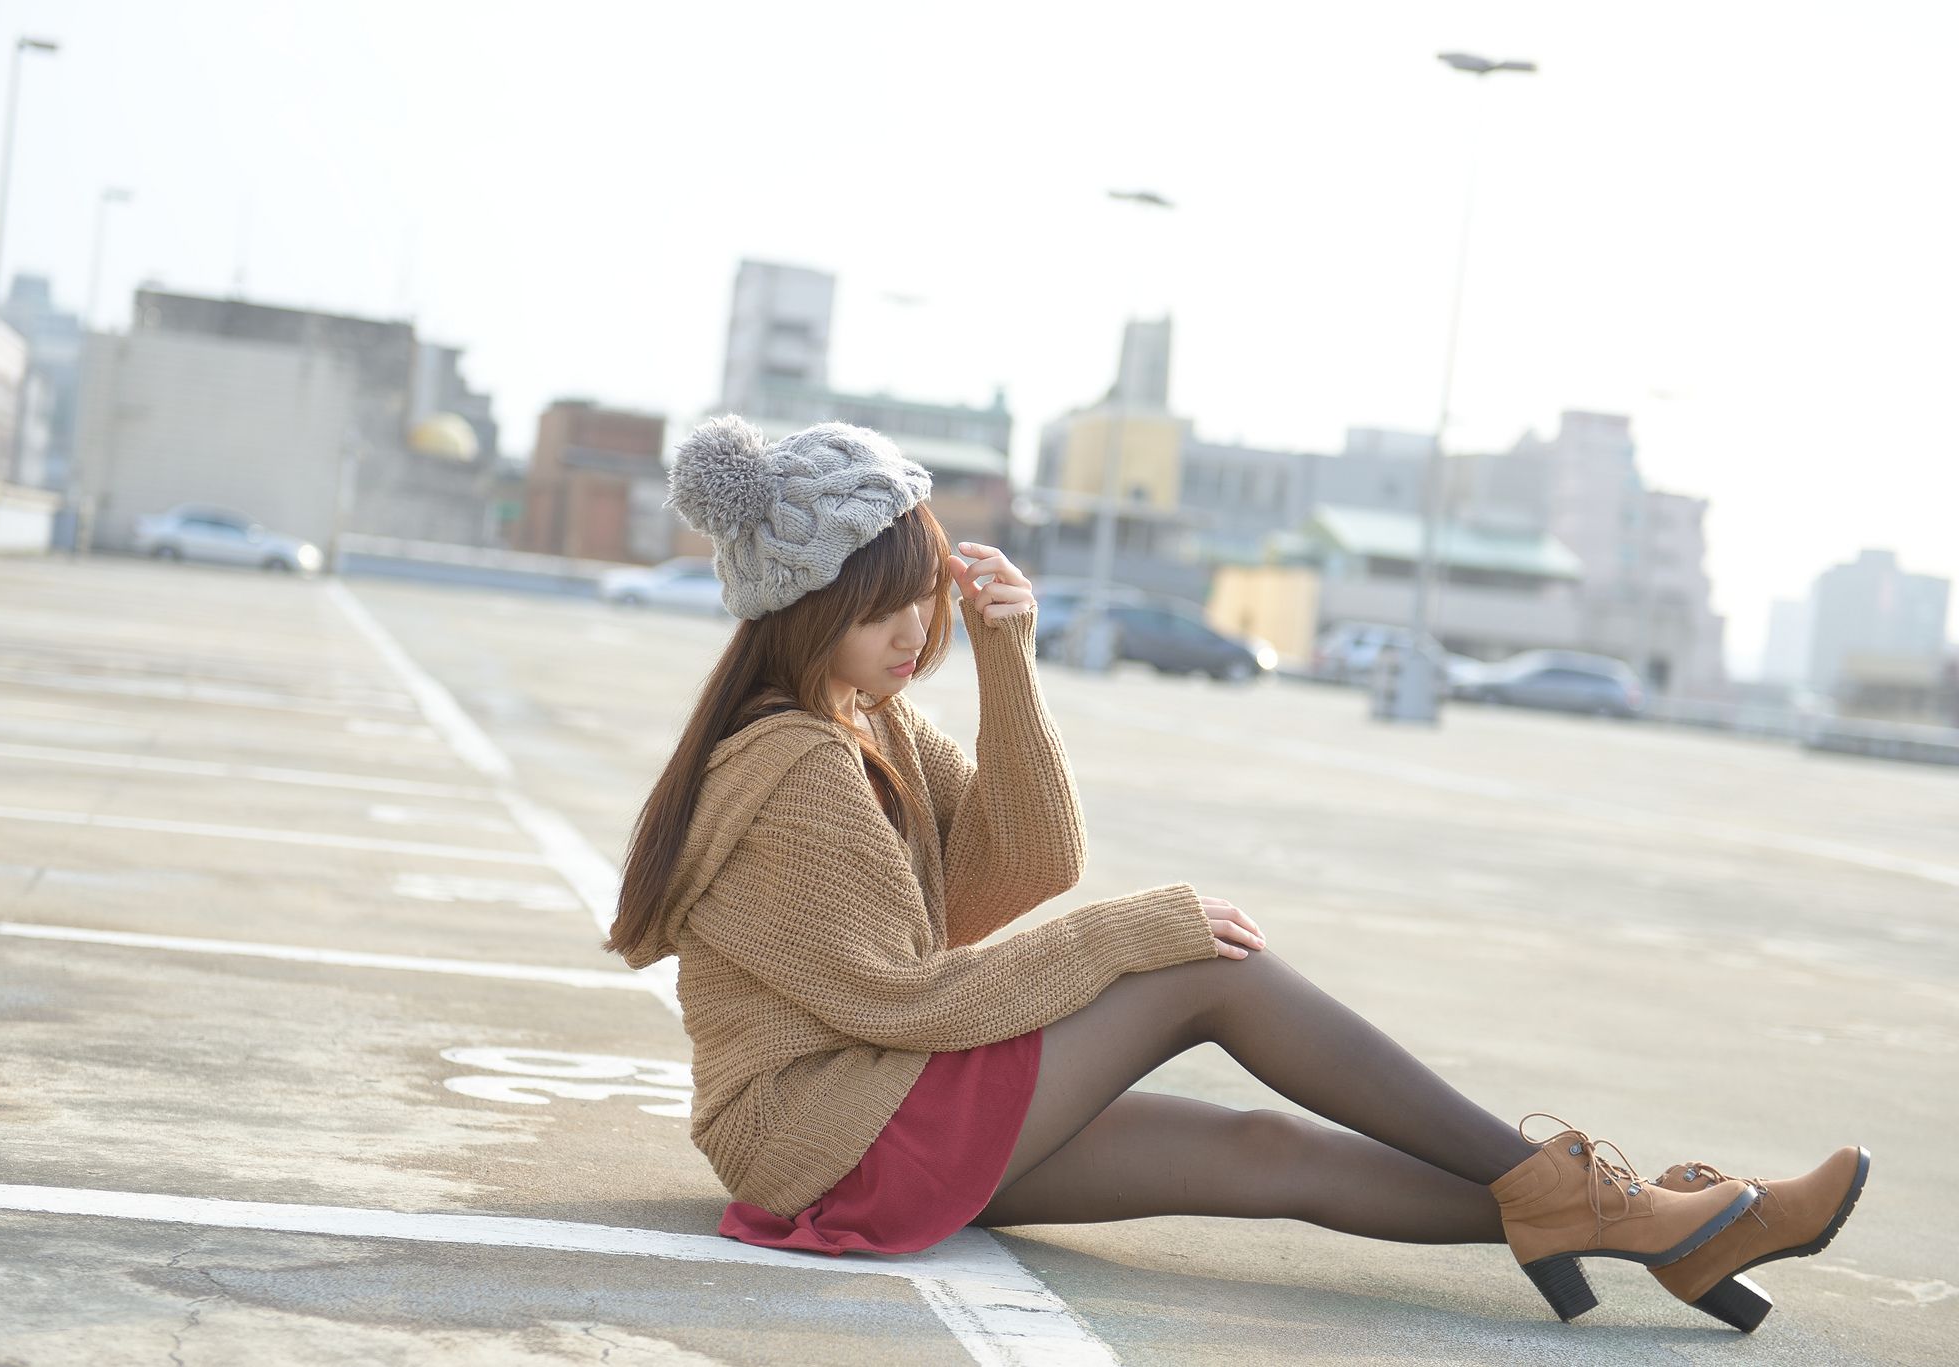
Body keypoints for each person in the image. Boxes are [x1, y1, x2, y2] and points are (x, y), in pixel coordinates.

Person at [606, 414, 1868, 1334]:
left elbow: (1029, 862)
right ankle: (1599, 1193)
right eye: (877, 606)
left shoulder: (864, 726)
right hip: (831, 1133)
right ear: (800, 604)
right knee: (1207, 969)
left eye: (917, 597)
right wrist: (1130, 934)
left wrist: (1007, 658)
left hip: (866, 1121)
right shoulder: (796, 766)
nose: (910, 629)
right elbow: (903, 996)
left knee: (1263, 1151)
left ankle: (1648, 1223)